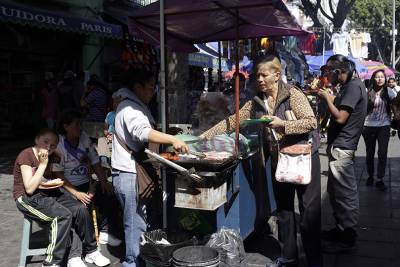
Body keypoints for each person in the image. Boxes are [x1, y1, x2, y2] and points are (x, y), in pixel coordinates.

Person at [201, 54, 321, 267]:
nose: (260, 79)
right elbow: (234, 121)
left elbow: (311, 122)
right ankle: (288, 256)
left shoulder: (293, 94)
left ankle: (314, 260)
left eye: (264, 75)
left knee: (308, 212)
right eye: (257, 75)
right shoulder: (257, 101)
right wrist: (206, 135)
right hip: (280, 160)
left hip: (303, 159)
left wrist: (282, 124)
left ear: (277, 75)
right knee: (284, 212)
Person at [111, 68, 189, 267]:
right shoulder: (130, 108)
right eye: (149, 87)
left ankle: (141, 260)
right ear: (137, 87)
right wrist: (172, 138)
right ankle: (132, 262)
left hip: (132, 172)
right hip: (128, 173)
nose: (153, 91)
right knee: (135, 223)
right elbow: (143, 132)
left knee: (140, 220)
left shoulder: (136, 105)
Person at [13, 128, 109, 267]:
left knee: (80, 209)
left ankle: (91, 251)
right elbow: (29, 188)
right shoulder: (26, 155)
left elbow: (48, 180)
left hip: (48, 193)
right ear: (36, 139)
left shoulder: (54, 156)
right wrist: (43, 164)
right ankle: (52, 262)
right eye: (45, 142)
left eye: (53, 145)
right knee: (63, 216)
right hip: (27, 198)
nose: (48, 147)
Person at [317, 54, 367, 253]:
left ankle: (348, 235)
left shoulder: (354, 86)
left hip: (343, 147)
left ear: (339, 71)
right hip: (339, 146)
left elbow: (340, 118)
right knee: (335, 192)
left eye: (329, 72)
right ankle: (340, 228)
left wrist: (328, 99)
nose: (328, 76)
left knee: (345, 194)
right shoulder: (349, 87)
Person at [53, 109, 122, 247]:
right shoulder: (59, 145)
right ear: (66, 127)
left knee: (110, 194)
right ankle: (85, 243)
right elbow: (58, 174)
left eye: (80, 124)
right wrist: (76, 193)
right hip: (67, 187)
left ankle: (105, 232)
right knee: (81, 207)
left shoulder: (83, 137)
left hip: (86, 183)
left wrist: (103, 182)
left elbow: (95, 161)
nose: (80, 128)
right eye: (76, 125)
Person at [363, 70, 396, 191]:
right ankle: (370, 176)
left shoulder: (389, 91)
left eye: (382, 77)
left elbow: (396, 104)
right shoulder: (367, 92)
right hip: (368, 126)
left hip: (384, 125)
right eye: (377, 77)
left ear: (385, 79)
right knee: (369, 153)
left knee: (382, 153)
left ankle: (380, 179)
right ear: (373, 79)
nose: (380, 79)